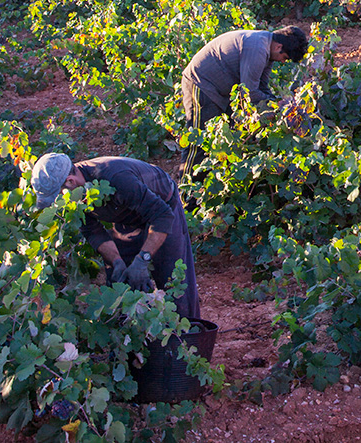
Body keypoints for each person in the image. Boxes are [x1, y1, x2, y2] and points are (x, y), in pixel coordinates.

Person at [31, 153, 200, 321]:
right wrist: (117, 261)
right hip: (126, 215)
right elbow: (92, 231)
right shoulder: (75, 195)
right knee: (120, 284)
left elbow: (162, 215)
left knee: (173, 282)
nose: (57, 203)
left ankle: (187, 336)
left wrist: (142, 259)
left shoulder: (116, 178)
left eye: (57, 195)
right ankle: (133, 340)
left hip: (162, 208)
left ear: (70, 181)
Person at [180, 26, 309, 129]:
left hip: (219, 90)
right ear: (278, 47)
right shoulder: (258, 50)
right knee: (199, 141)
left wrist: (277, 103)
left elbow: (262, 86)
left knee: (228, 135)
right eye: (285, 58)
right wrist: (277, 107)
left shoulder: (267, 49)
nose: (282, 62)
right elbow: (249, 92)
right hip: (200, 84)